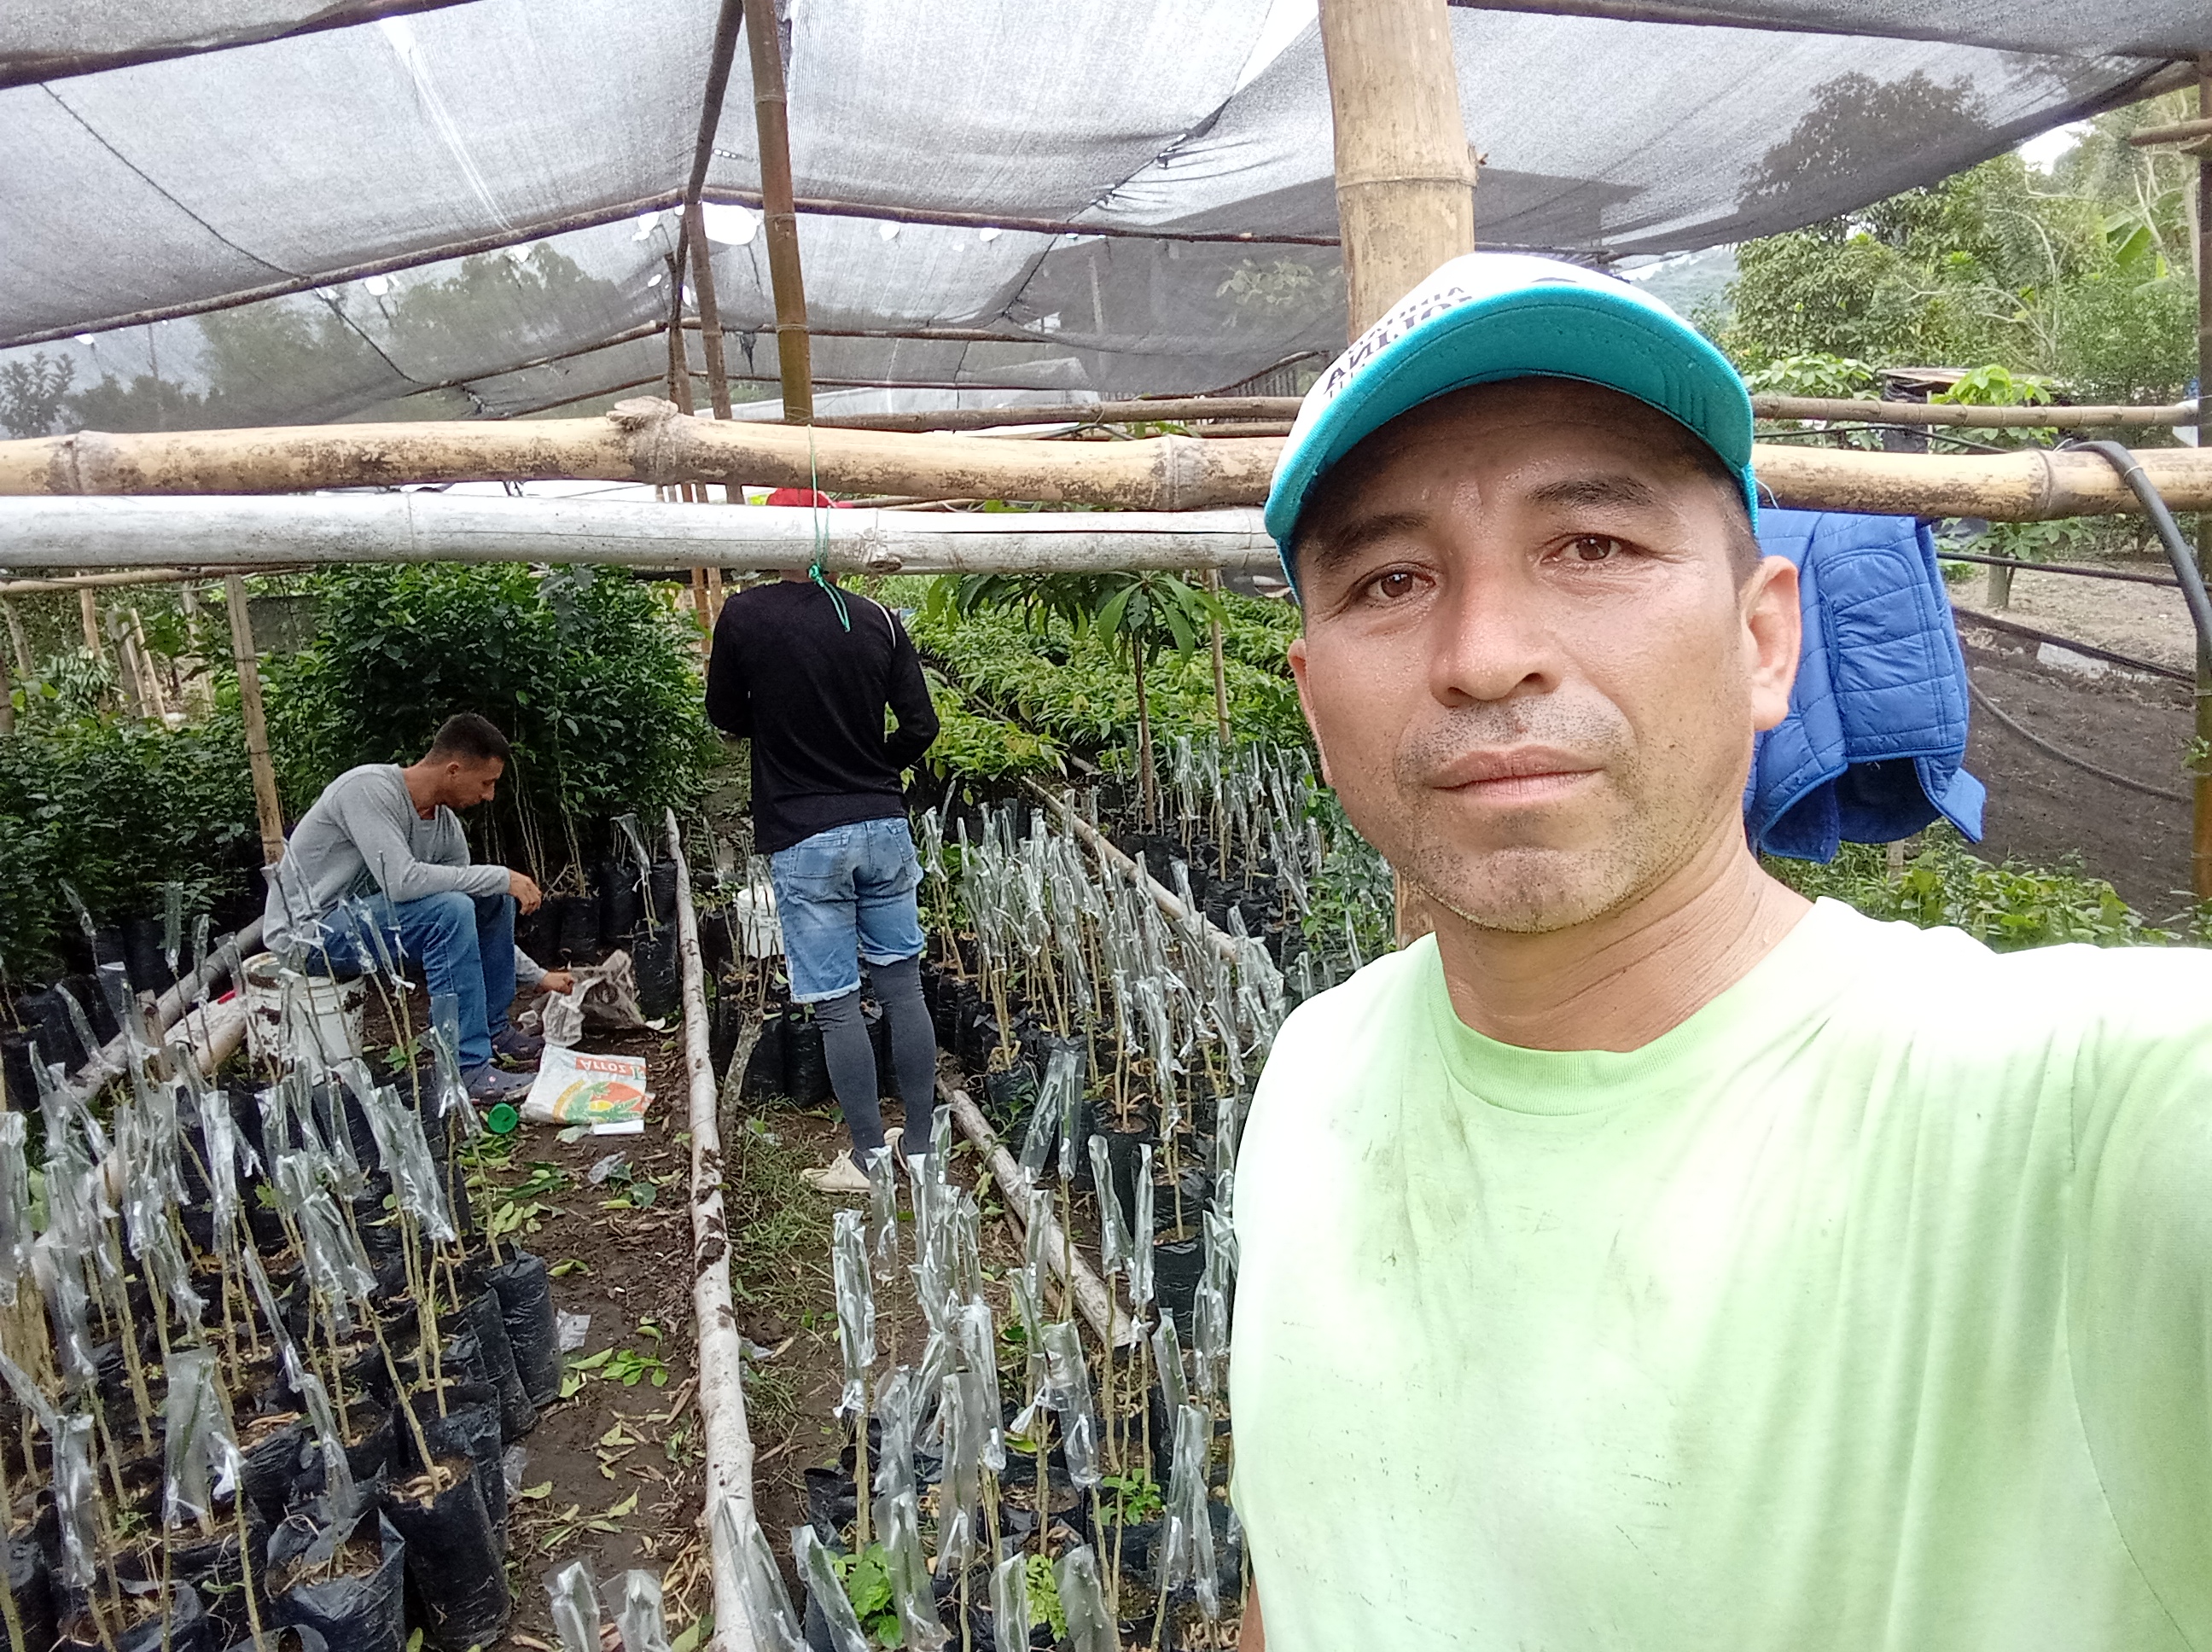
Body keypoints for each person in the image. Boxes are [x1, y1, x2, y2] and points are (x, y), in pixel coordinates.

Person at [1230, 253, 2212, 1650]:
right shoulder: (1313, 1068)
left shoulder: (2075, 1119)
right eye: (1391, 579)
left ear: (1764, 641)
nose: (1486, 653)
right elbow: (1312, 1560)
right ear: (1317, 708)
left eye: (1592, 546)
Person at [705, 544, 942, 1194]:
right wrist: (872, 765)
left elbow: (724, 713)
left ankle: (868, 1159)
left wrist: (779, 727)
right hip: (883, 826)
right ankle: (921, 1150)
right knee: (903, 989)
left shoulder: (746, 613)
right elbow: (921, 725)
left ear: (776, 548)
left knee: (838, 1007)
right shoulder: (879, 618)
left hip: (804, 833)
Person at [263, 713, 574, 1103]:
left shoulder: (446, 828)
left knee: (489, 899)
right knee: (455, 906)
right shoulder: (367, 790)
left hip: (369, 926)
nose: (489, 796)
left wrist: (539, 975)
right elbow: (402, 881)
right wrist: (499, 876)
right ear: (454, 770)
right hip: (309, 934)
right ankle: (465, 1068)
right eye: (486, 783)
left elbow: (471, 926)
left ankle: (494, 1030)